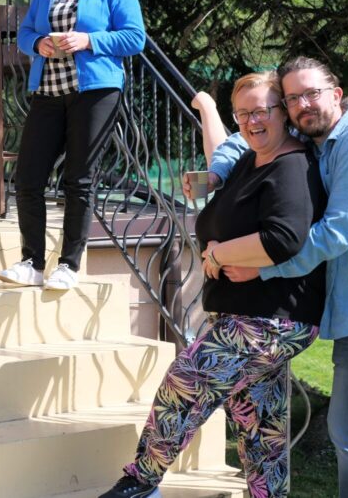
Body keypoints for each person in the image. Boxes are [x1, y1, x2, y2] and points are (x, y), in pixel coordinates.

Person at [207, 57, 348, 498]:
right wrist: (218, 168)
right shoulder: (322, 139)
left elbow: (335, 234)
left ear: (336, 94)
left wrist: (265, 267)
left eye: (312, 93)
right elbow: (243, 138)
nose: (303, 105)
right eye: (292, 98)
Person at [101, 71, 327, 498]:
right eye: (242, 114)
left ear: (283, 112)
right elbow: (222, 149)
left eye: (261, 111)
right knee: (260, 429)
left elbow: (284, 238)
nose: (251, 121)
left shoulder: (292, 166)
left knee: (185, 383)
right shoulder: (250, 160)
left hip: (271, 318)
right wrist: (207, 109)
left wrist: (220, 255)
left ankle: (139, 483)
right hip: (244, 313)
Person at [0, 0, 146, 291]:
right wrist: (39, 44)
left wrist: (89, 40)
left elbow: (135, 38)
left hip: (95, 92)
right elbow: (25, 33)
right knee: (28, 178)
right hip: (48, 90)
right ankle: (31, 262)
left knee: (79, 180)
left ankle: (68, 265)